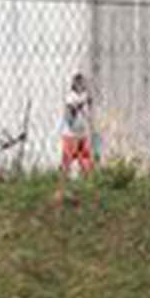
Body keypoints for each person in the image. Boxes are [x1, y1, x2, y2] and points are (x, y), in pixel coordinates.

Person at [53, 73, 97, 203]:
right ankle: (60, 192)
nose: (81, 85)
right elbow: (70, 114)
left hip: (82, 134)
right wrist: (80, 104)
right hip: (71, 135)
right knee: (67, 163)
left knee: (85, 161)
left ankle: (89, 190)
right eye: (78, 83)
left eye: (82, 83)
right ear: (74, 85)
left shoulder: (84, 95)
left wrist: (88, 102)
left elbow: (88, 109)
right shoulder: (71, 97)